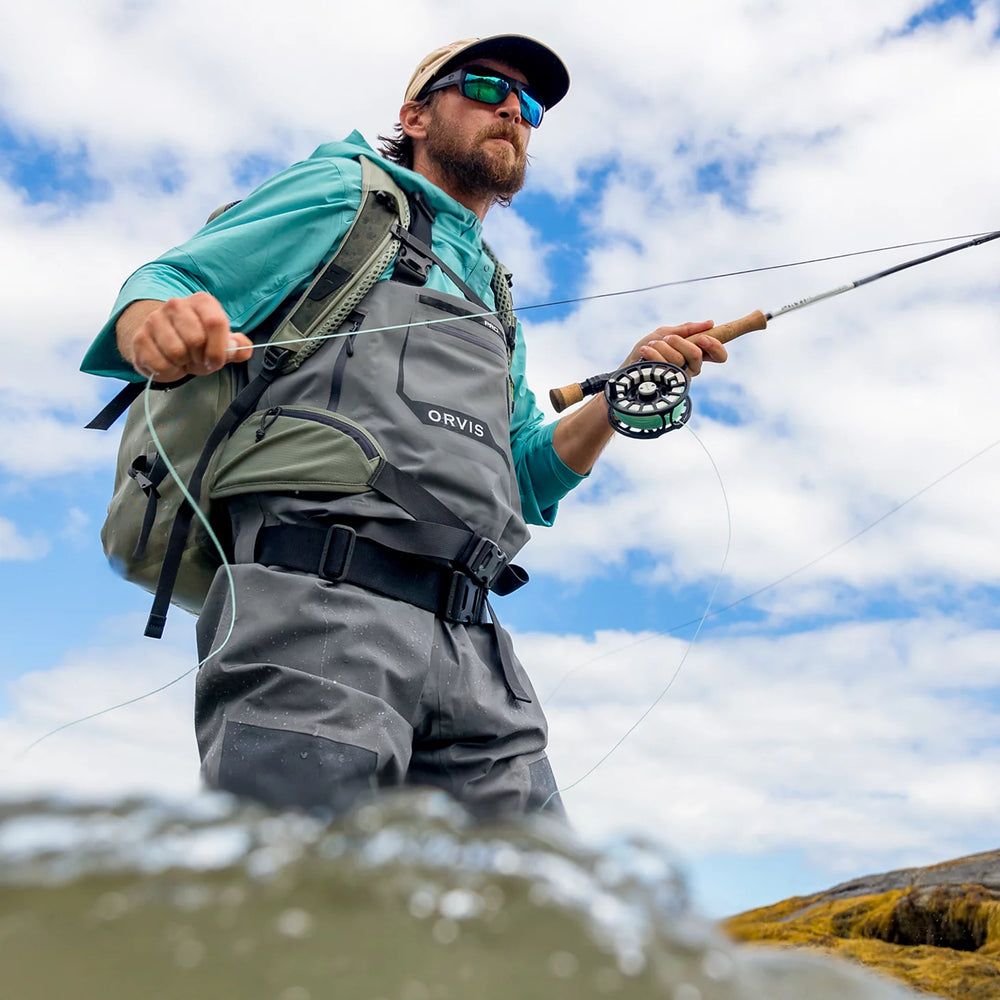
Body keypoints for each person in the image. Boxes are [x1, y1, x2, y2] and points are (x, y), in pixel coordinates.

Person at [81, 34, 728, 820]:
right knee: (306, 903)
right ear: (415, 115)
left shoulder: (493, 290)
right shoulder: (346, 193)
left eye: (529, 107)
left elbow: (523, 474)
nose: (511, 111)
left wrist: (619, 398)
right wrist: (157, 323)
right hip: (314, 608)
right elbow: (169, 279)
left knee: (534, 925)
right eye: (489, 87)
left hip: (478, 645)